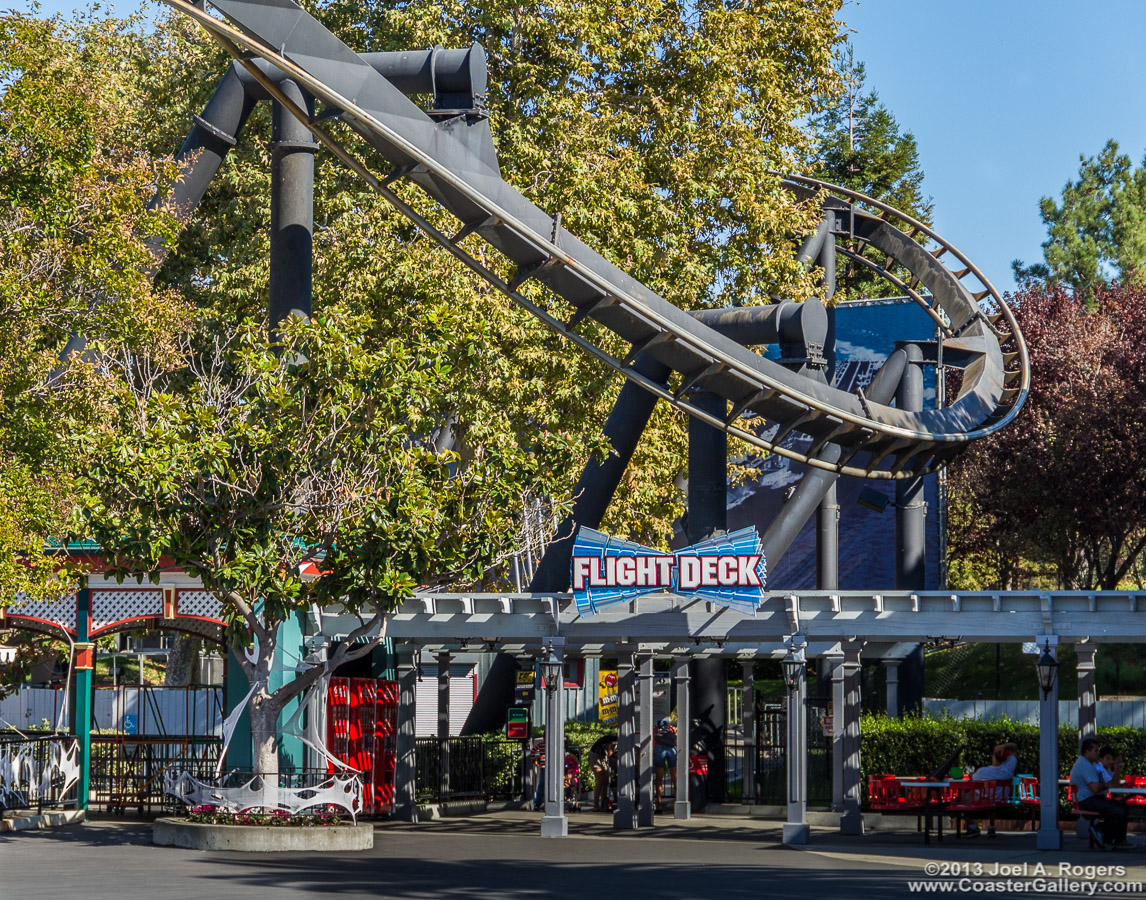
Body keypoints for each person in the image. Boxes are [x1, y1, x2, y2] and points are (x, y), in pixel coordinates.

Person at [1071, 736, 1128, 849]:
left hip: (1092, 798)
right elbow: (1095, 789)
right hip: (1086, 800)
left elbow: (1112, 783)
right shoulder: (1084, 765)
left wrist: (1114, 770)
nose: (1098, 753)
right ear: (1087, 751)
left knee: (1123, 806)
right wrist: (1106, 785)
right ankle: (1103, 836)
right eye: (1096, 750)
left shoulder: (1092, 765)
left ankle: (1119, 840)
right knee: (1117, 811)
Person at [963, 742, 1018, 838]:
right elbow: (1014, 748)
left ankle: (972, 827)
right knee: (990, 799)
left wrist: (971, 773)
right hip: (1001, 798)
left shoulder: (983, 771)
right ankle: (991, 827)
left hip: (986, 798)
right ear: (1006, 758)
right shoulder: (1009, 768)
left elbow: (972, 778)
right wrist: (1004, 747)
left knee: (962, 798)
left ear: (993, 756)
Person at [587, 733, 617, 812]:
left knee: (606, 781)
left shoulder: (611, 739)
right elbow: (611, 755)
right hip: (595, 756)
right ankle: (595, 806)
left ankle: (604, 803)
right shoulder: (612, 742)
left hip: (602, 756)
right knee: (600, 781)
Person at [653, 718, 678, 812]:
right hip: (671, 749)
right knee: (675, 778)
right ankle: (677, 802)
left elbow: (654, 741)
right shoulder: (671, 728)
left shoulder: (656, 729)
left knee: (659, 780)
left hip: (659, 749)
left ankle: (659, 805)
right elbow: (675, 739)